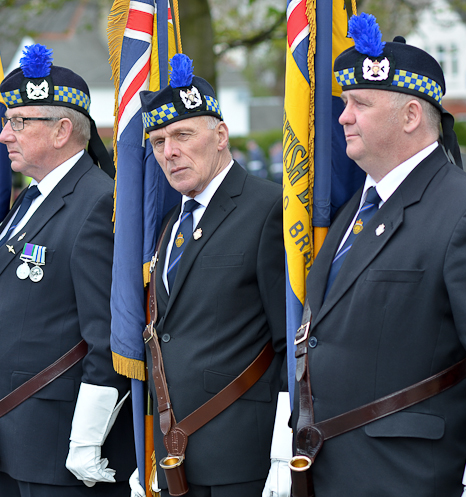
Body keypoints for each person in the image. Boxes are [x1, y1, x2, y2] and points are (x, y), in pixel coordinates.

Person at [292, 14, 466, 497]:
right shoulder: (350, 215)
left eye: (360, 103)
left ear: (409, 116)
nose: (342, 116)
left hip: (409, 477)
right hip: (326, 471)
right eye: (344, 103)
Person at [0, 43, 134, 496]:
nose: (4, 136)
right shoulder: (31, 199)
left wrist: (87, 438)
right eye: (6, 122)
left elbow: (107, 336)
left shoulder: (98, 202)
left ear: (61, 130)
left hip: (56, 447)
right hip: (3, 432)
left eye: (18, 122)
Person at [133, 53, 286, 497]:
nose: (169, 152)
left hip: (242, 455)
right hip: (173, 451)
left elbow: (287, 343)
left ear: (220, 135)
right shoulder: (170, 222)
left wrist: (283, 447)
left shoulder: (267, 209)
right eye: (159, 141)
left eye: (182, 135)